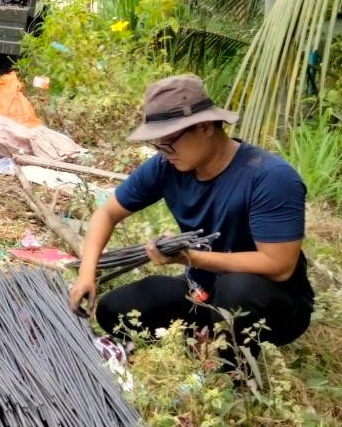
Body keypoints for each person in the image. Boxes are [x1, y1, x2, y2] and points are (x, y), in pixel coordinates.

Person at [69, 75, 314, 366]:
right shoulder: (167, 165)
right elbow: (107, 213)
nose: (163, 153)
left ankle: (232, 368)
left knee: (236, 289)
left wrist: (191, 258)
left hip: (271, 302)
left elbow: (278, 265)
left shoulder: (270, 177)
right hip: (203, 291)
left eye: (169, 142)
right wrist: (87, 274)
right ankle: (202, 339)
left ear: (205, 126)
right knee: (114, 309)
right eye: (158, 145)